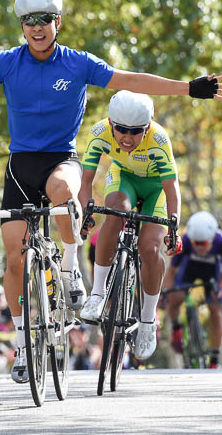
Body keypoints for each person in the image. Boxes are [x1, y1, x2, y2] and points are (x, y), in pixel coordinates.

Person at [0, 0, 222, 383]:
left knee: (64, 193)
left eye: (44, 19)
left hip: (60, 160)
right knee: (14, 258)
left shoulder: (77, 63)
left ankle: (69, 268)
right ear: (22, 26)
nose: (37, 27)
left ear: (57, 22)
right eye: (28, 21)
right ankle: (24, 345)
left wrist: (188, 88)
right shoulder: (6, 63)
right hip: (19, 166)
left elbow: (129, 79)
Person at [78, 90, 182, 361]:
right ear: (111, 124)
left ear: (146, 127)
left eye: (135, 131)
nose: (126, 137)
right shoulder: (99, 131)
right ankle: (98, 293)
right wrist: (85, 213)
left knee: (150, 247)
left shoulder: (159, 140)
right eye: (120, 129)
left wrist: (173, 227)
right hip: (123, 179)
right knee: (115, 211)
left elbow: (171, 189)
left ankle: (148, 321)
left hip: (156, 189)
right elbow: (86, 181)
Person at [162, 211, 222, 368]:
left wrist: (220, 288)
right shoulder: (186, 240)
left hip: (212, 273)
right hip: (189, 270)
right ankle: (176, 328)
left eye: (204, 244)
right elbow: (172, 269)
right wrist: (168, 290)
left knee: (216, 311)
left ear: (212, 239)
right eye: (196, 243)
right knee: (174, 298)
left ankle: (214, 358)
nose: (200, 248)